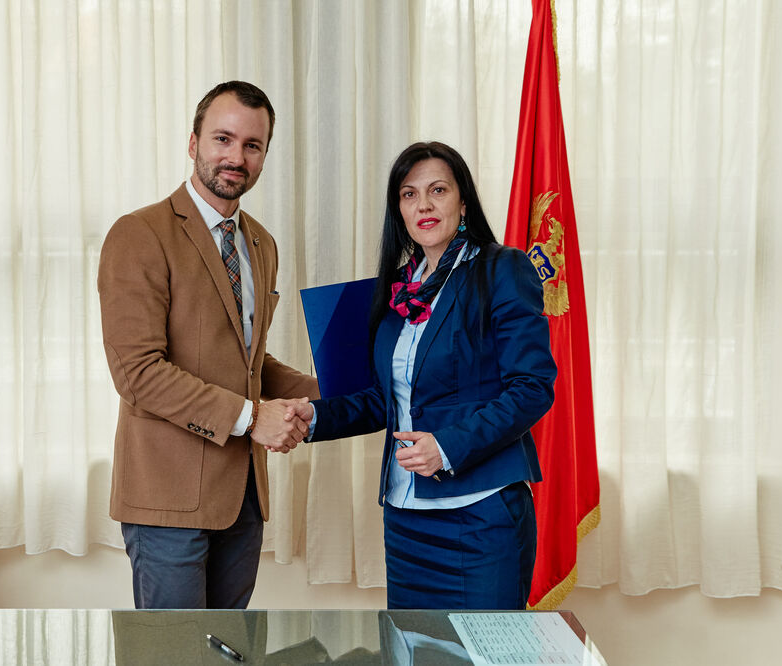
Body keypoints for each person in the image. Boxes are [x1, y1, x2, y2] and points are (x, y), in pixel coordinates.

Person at [288, 141, 557, 609]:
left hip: (480, 517)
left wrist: (448, 445)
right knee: (414, 653)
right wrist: (311, 417)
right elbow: (383, 400)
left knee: (485, 658)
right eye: (409, 194)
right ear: (399, 210)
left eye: (438, 190)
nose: (424, 204)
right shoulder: (397, 292)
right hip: (406, 520)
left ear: (463, 202)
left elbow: (532, 387)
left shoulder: (503, 270)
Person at [97, 81, 318, 609]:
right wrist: (251, 418)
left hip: (241, 500)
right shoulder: (139, 234)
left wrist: (339, 385)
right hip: (166, 502)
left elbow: (246, 361)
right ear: (193, 143)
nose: (235, 157)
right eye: (223, 139)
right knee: (174, 654)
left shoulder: (261, 243)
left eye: (252, 145)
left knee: (228, 650)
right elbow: (138, 373)